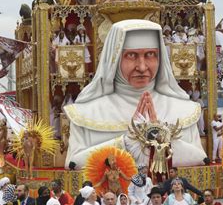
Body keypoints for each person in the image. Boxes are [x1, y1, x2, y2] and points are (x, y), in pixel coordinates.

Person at [63, 20, 207, 169]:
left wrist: (158, 138)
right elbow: (73, 164)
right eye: (131, 55)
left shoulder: (184, 110)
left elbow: (202, 159)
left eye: (150, 54)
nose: (142, 67)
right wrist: (126, 142)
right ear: (114, 59)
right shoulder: (86, 112)